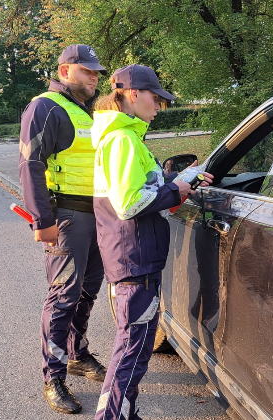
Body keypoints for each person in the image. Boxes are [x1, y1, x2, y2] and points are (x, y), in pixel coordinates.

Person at [91, 64, 212, 420]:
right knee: (131, 350)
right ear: (132, 95)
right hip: (135, 258)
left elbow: (142, 187)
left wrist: (180, 178)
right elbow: (129, 204)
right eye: (155, 99)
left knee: (134, 348)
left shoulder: (122, 135)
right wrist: (177, 188)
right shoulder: (122, 139)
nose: (159, 107)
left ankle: (122, 413)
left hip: (132, 255)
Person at [18, 44, 109, 415]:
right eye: (87, 70)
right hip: (68, 219)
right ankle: (53, 377)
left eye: (97, 72)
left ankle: (77, 354)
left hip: (99, 218)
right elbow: (30, 163)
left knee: (87, 292)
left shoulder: (86, 112)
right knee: (63, 297)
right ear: (65, 70)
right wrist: (43, 221)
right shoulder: (45, 106)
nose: (94, 76)